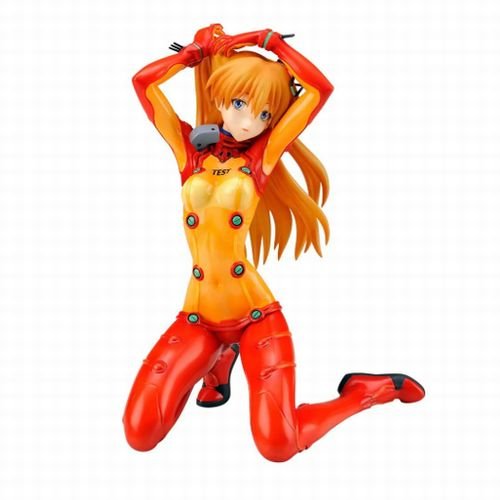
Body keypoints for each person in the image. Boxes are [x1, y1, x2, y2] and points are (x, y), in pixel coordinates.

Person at [122, 24, 425, 462]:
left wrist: (271, 43)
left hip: (255, 317)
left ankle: (365, 392)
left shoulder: (258, 159)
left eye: (264, 114)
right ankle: (218, 360)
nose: (248, 122)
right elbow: (143, 83)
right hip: (198, 318)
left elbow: (319, 90)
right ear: (219, 96)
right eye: (239, 104)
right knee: (139, 432)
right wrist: (191, 56)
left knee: (278, 444)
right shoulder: (189, 153)